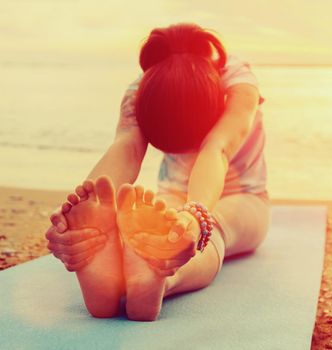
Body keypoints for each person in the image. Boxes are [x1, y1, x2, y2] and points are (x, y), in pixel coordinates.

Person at [45, 23, 270, 321]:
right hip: (173, 194)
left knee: (204, 228)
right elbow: (128, 148)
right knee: (150, 234)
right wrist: (87, 216)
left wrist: (195, 218)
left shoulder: (240, 86)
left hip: (244, 197)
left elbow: (216, 149)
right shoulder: (142, 89)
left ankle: (160, 276)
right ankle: (117, 278)